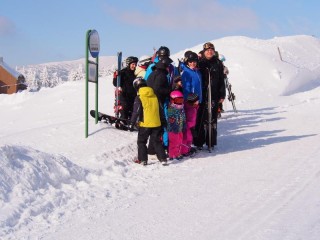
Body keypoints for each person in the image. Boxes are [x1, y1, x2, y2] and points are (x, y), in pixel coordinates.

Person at [194, 42, 226, 150]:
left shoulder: (217, 63)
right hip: (203, 95)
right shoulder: (200, 63)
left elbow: (222, 80)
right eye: (207, 50)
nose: (209, 51)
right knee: (201, 118)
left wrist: (222, 94)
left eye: (211, 50)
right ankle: (199, 142)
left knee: (212, 119)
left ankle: (211, 142)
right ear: (204, 52)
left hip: (214, 94)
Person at [130, 77, 168, 166]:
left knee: (142, 142)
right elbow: (161, 110)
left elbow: (136, 111)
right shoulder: (155, 96)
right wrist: (163, 121)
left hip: (145, 124)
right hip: (157, 123)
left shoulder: (139, 97)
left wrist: (132, 123)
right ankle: (163, 158)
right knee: (157, 141)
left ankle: (143, 160)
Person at [180, 51, 202, 156]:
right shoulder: (186, 73)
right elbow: (186, 89)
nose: (193, 63)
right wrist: (192, 99)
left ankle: (188, 146)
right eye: (191, 62)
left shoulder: (197, 72)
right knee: (189, 125)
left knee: (191, 125)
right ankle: (185, 148)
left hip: (196, 102)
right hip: (190, 102)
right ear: (187, 62)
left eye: (194, 61)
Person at [167, 90, 186, 161]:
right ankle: (172, 154)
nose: (180, 102)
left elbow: (184, 117)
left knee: (179, 141)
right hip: (173, 130)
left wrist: (184, 124)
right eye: (178, 100)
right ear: (172, 100)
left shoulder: (181, 108)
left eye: (181, 100)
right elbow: (171, 119)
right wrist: (174, 126)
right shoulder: (171, 109)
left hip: (180, 128)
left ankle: (178, 153)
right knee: (173, 142)